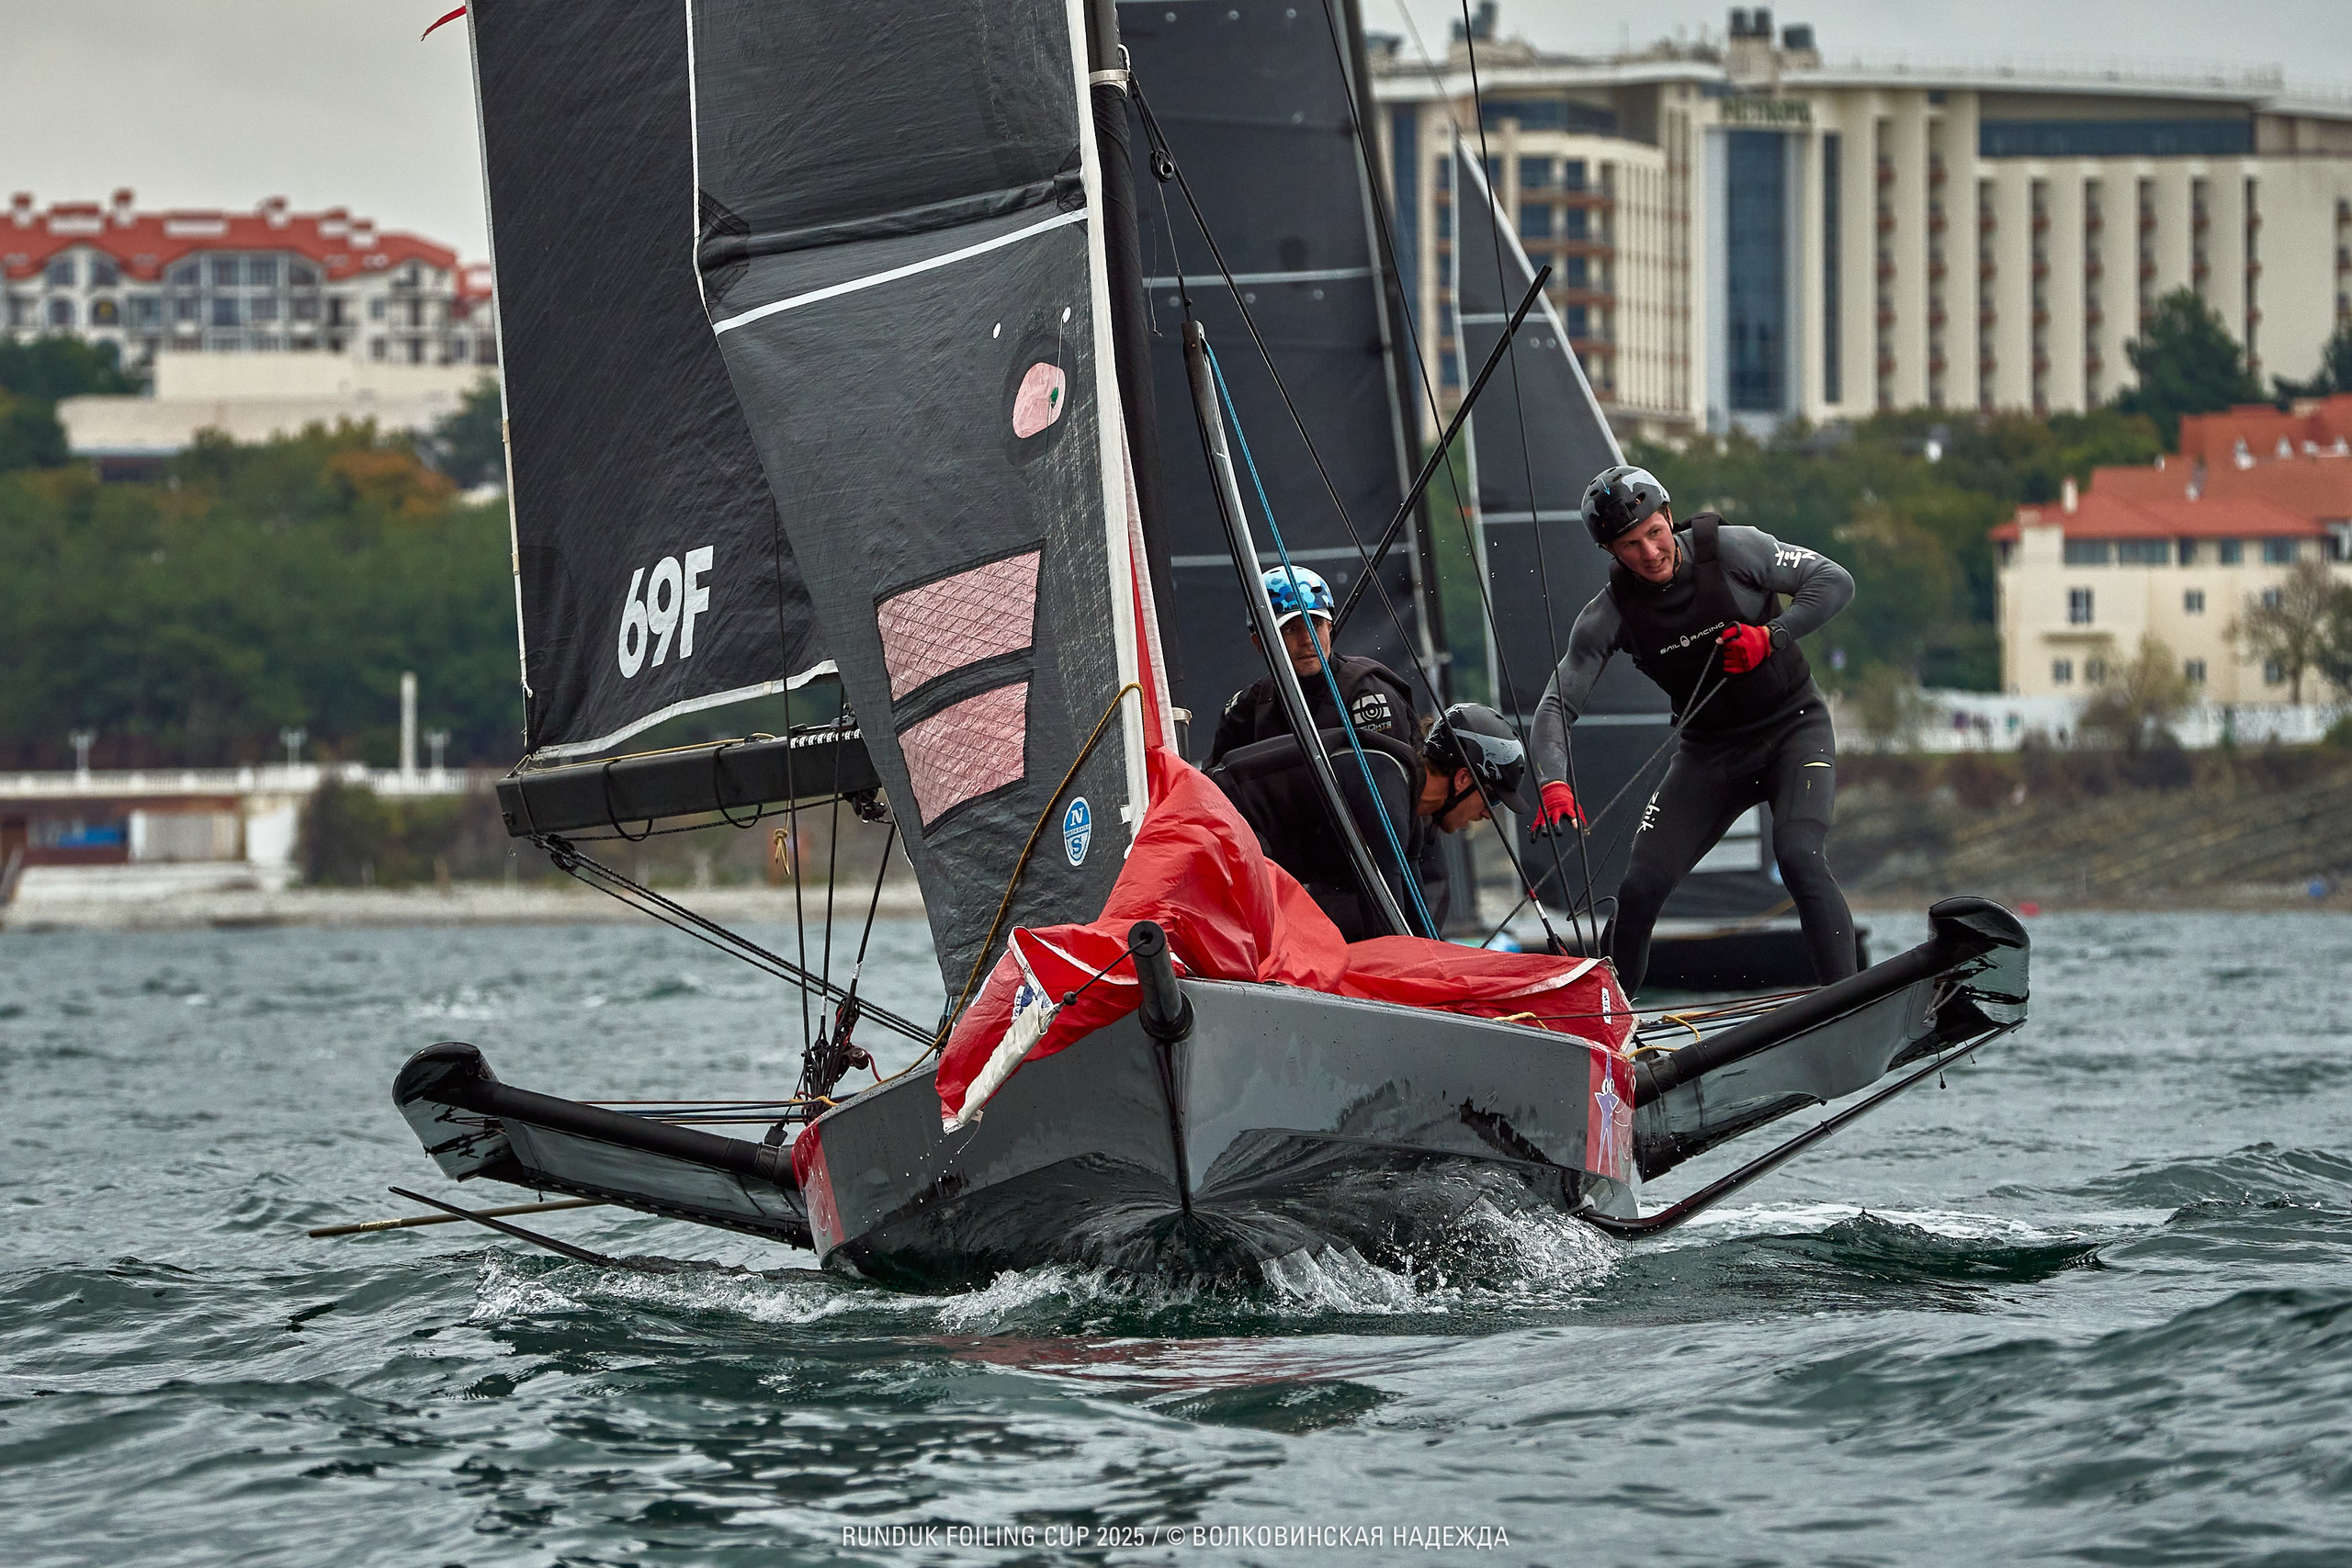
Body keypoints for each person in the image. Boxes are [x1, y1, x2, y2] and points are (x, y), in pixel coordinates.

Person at [1527, 464, 1858, 996]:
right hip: (1710, 755)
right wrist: (1553, 783)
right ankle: (1605, 1027)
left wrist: (1770, 637)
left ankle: (1848, 1000)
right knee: (1638, 889)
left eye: (1655, 533)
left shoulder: (1734, 550)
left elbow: (1834, 582)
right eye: (1630, 545)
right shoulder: (1607, 615)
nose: (1650, 553)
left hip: (1793, 730)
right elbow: (1554, 705)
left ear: (1669, 517)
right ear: (1611, 552)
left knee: (1798, 855)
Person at [1212, 703, 1533, 942]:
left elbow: (1417, 927)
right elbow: (1389, 930)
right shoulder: (1384, 788)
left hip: (1230, 840)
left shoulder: (1406, 799)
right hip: (1210, 828)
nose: (1488, 814)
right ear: (1463, 778)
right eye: (1492, 799)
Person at [1204, 565, 1419, 768]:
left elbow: (1397, 788)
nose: (1307, 640)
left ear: (1329, 627)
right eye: (1290, 629)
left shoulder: (1368, 694)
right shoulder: (1245, 710)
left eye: (1315, 625)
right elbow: (1215, 796)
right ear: (1259, 643)